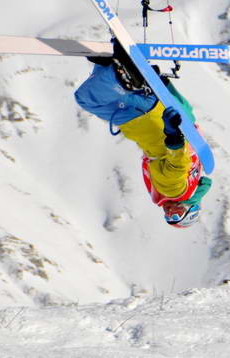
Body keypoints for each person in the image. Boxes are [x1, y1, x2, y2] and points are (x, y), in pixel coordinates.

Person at [74, 51, 212, 227]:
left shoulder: (194, 180)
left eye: (169, 218)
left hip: (158, 109)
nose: (170, 213)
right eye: (178, 215)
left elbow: (188, 115)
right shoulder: (173, 190)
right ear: (190, 207)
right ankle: (120, 73)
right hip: (143, 120)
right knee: (87, 99)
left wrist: (164, 85)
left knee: (108, 94)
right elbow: (177, 162)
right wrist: (173, 136)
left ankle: (110, 66)